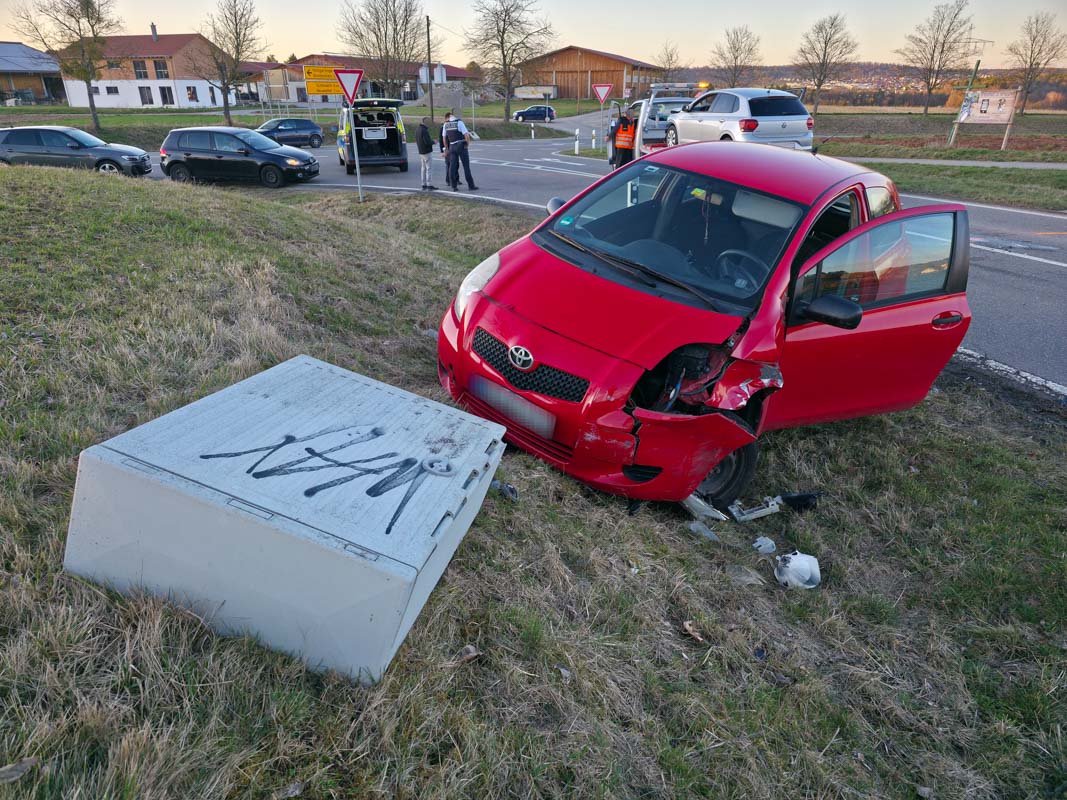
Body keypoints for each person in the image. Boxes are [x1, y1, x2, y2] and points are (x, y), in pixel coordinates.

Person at [441, 108, 478, 191]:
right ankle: (471, 185)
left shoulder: (445, 124)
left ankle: (454, 186)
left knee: (452, 167)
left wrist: (446, 148)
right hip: (461, 145)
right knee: (466, 166)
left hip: (451, 146)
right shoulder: (459, 122)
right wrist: (467, 144)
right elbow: (466, 135)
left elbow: (444, 138)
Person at [415, 117, 438, 190]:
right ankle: (429, 184)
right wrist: (434, 142)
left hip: (421, 151)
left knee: (423, 168)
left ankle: (423, 184)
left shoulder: (418, 129)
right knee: (429, 168)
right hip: (426, 151)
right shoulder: (424, 130)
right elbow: (427, 142)